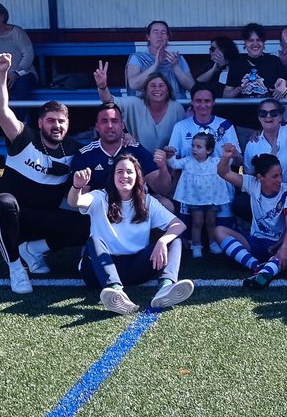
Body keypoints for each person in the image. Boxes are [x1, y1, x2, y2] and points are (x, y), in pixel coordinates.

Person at [0, 53, 89, 294]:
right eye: (51, 120)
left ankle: (34, 250)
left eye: (61, 121)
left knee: (88, 225)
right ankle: (16, 267)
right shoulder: (24, 137)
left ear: (68, 125)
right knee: (2, 203)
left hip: (42, 219)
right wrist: (0, 74)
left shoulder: (74, 150)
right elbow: (0, 110)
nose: (56, 125)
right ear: (40, 123)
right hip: (9, 216)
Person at [68, 154, 194, 316]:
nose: (124, 176)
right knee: (94, 241)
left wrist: (162, 240)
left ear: (137, 177)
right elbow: (74, 202)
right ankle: (115, 291)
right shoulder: (100, 197)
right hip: (98, 272)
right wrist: (77, 186)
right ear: (113, 176)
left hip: (135, 268)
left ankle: (166, 288)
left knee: (173, 239)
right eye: (119, 171)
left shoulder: (148, 201)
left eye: (129, 172)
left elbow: (179, 225)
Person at [214, 148, 287, 288]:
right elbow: (223, 172)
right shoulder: (252, 183)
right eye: (275, 176)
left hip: (277, 244)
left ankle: (264, 273)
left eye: (281, 175)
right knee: (219, 231)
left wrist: (284, 247)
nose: (280, 180)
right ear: (260, 177)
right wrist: (226, 157)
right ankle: (257, 267)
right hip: (255, 241)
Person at [169, 84, 241, 244]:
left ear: (214, 102)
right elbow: (174, 158)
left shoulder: (226, 125)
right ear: (192, 102)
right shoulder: (181, 127)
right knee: (188, 239)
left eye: (207, 101)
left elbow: (238, 161)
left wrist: (234, 153)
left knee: (224, 239)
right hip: (192, 188)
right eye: (198, 101)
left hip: (220, 187)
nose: (203, 105)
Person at [71, 102, 167, 197]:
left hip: (135, 205)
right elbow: (82, 200)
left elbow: (161, 189)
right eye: (104, 121)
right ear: (97, 127)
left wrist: (163, 168)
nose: (110, 126)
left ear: (122, 125)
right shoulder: (85, 154)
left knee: (166, 204)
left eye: (114, 121)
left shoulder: (135, 149)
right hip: (101, 207)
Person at [94, 60, 185, 152]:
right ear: (145, 91)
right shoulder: (135, 103)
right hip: (136, 159)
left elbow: (183, 138)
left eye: (161, 86)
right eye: (152, 86)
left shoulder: (177, 108)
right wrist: (102, 86)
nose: (157, 89)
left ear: (168, 90)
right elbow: (108, 102)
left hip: (166, 161)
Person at [165, 134, 227, 260]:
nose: (194, 149)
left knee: (211, 221)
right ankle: (196, 245)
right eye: (193, 146)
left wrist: (228, 154)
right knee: (197, 222)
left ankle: (213, 243)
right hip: (194, 199)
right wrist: (170, 155)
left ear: (208, 150)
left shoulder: (215, 162)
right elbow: (174, 164)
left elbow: (226, 165)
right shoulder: (187, 161)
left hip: (212, 198)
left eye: (199, 147)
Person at [243, 80, 287, 188]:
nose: (268, 116)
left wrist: (285, 91)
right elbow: (249, 176)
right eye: (263, 113)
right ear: (259, 118)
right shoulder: (252, 144)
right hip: (266, 198)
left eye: (273, 113)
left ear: (280, 117)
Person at [126, 20, 195, 100]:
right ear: (148, 37)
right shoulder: (137, 58)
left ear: (168, 37)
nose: (159, 35)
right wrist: (156, 65)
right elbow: (134, 84)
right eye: (155, 32)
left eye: (163, 32)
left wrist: (175, 66)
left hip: (175, 106)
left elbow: (192, 87)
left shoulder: (177, 59)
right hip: (145, 107)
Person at [224, 23, 287, 105]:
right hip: (242, 114)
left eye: (259, 40)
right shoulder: (236, 64)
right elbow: (226, 94)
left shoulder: (274, 61)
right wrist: (234, 92)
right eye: (251, 40)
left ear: (264, 43)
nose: (255, 44)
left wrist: (281, 91)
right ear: (245, 43)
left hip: (269, 115)